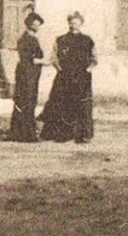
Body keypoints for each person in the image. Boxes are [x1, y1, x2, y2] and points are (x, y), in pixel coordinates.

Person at [40, 11, 97, 143]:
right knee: (62, 104)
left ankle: (83, 135)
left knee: (83, 105)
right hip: (64, 77)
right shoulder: (61, 40)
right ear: (68, 23)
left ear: (81, 24)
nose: (73, 25)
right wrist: (61, 70)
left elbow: (94, 59)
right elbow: (54, 58)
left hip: (82, 78)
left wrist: (87, 70)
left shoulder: (88, 40)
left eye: (76, 23)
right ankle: (61, 134)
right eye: (71, 22)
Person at [8, 12, 46, 142]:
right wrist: (49, 62)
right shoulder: (27, 39)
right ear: (29, 24)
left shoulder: (30, 38)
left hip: (30, 74)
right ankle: (26, 135)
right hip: (26, 74)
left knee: (25, 101)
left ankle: (18, 132)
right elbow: (32, 59)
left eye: (38, 24)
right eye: (35, 24)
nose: (37, 26)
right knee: (27, 101)